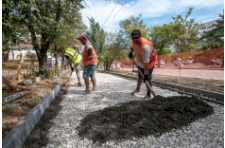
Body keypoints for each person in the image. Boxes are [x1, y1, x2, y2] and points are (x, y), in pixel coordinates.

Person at [128, 29, 157, 100]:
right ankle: (137, 89)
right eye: (133, 38)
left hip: (149, 63)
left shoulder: (146, 47)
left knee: (148, 78)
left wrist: (146, 75)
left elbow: (146, 64)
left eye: (136, 38)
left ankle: (148, 94)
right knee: (140, 77)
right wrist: (130, 53)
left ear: (140, 36)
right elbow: (132, 47)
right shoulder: (134, 42)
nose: (134, 40)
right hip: (141, 62)